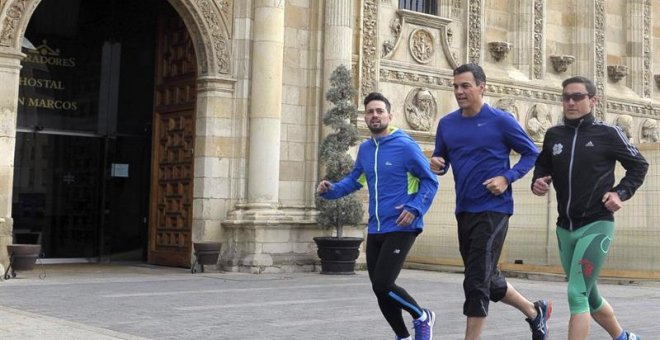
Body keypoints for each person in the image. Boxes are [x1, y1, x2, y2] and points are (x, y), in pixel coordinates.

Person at [429, 63, 551, 340]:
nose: (459, 91)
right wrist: (437, 164)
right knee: (488, 278)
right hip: (464, 209)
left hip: (494, 210)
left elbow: (531, 153)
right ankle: (534, 311)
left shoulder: (501, 120)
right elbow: (441, 160)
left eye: (465, 86)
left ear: (482, 87)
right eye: (456, 86)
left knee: (475, 281)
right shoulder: (446, 124)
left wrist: (506, 178)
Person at [531, 76, 648, 340]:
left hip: (596, 225)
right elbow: (543, 165)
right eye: (566, 97)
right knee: (589, 293)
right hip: (565, 228)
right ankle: (623, 337)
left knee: (577, 293)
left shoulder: (608, 133)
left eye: (577, 97)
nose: (570, 102)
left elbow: (639, 165)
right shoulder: (554, 135)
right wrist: (538, 181)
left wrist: (621, 192)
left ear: (593, 100)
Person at [317, 92, 439, 340]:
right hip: (376, 228)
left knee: (383, 283)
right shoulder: (365, 150)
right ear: (366, 118)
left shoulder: (405, 145)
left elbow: (430, 181)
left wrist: (415, 208)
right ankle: (403, 336)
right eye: (370, 112)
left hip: (402, 225)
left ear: (389, 115)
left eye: (379, 111)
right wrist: (330, 191)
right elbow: (354, 181)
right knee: (379, 289)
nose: (375, 115)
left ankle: (422, 316)